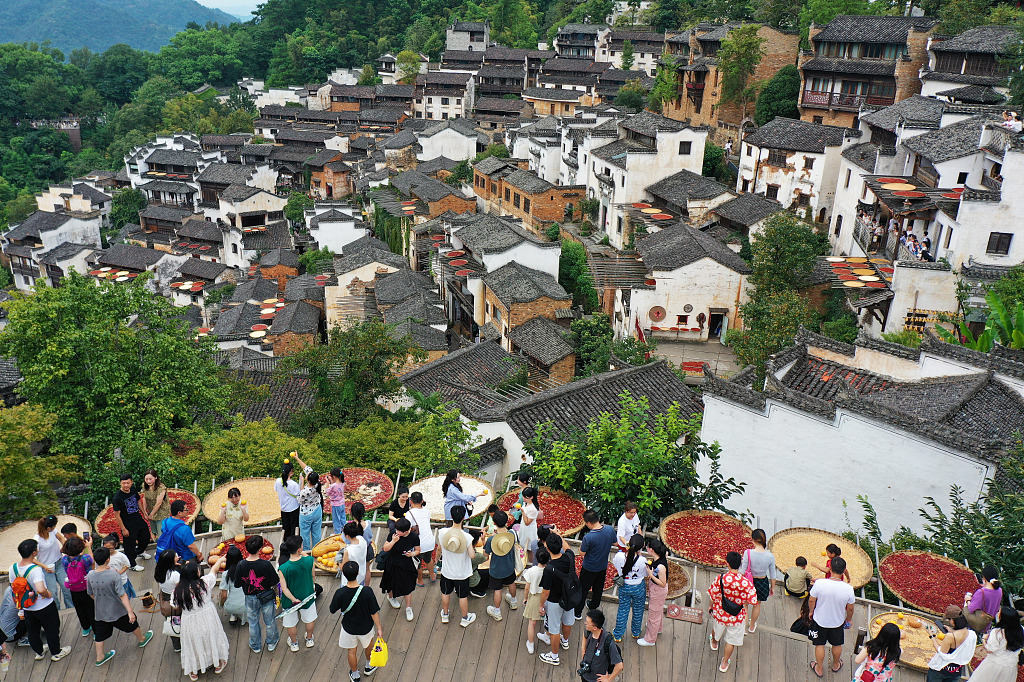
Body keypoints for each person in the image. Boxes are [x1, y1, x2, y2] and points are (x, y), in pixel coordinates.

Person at [86, 546, 153, 667]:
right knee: (131, 624)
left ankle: (99, 657)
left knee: (100, 634)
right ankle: (142, 639)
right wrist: (130, 611)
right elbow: (122, 595)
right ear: (108, 560)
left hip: (100, 611)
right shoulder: (113, 575)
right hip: (116, 609)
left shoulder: (90, 574)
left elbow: (90, 594)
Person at [9, 539, 70, 662]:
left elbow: (12, 586)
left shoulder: (13, 568)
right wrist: (48, 594)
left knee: (33, 631)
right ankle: (56, 653)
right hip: (43, 606)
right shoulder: (35, 570)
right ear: (34, 553)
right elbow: (41, 589)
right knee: (51, 628)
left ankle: (39, 652)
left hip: (27, 606)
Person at [173, 559, 230, 681]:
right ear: (196, 574)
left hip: (189, 621)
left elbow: (174, 605)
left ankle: (194, 670)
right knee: (212, 637)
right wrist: (220, 560)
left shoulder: (177, 591)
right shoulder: (204, 583)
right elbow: (213, 571)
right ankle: (218, 663)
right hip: (208, 616)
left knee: (193, 643)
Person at [330, 561, 384, 682]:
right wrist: (379, 627)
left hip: (349, 628)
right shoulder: (367, 591)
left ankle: (355, 674)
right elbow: (374, 612)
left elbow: (332, 610)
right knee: (369, 646)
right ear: (358, 573)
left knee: (351, 652)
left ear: (344, 574)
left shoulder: (340, 593)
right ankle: (369, 665)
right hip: (366, 627)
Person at [708, 550, 757, 673]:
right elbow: (753, 599)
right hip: (737, 616)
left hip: (721, 612)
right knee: (731, 640)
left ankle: (714, 643)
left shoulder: (721, 578)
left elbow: (713, 594)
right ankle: (724, 663)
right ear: (740, 564)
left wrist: (711, 606)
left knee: (717, 628)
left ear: (728, 564)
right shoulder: (745, 582)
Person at [808, 555, 855, 677]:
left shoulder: (820, 583)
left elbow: (811, 600)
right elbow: (850, 608)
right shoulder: (848, 589)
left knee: (819, 644)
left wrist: (811, 612)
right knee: (837, 644)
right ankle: (835, 665)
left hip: (819, 620)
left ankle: (819, 668)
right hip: (837, 622)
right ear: (844, 570)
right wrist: (848, 620)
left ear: (830, 568)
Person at [235, 535, 280, 654]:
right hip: (265, 596)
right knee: (269, 621)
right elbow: (275, 581)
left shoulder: (241, 565)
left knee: (253, 622)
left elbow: (237, 584)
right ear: (260, 549)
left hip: (250, 598)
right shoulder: (265, 564)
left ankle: (255, 645)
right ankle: (271, 642)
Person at [538, 532, 577, 667]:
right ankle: (565, 641)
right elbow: (567, 547)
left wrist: (541, 605)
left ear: (547, 549)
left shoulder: (549, 569)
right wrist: (558, 535)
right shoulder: (570, 557)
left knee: (554, 630)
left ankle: (554, 656)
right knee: (567, 622)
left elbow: (545, 592)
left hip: (555, 601)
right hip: (570, 597)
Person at [437, 505, 477, 627]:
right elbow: (472, 556)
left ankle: (445, 614)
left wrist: (436, 559)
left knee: (445, 592)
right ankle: (464, 618)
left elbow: (439, 549)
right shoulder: (467, 537)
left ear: (451, 516)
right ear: (464, 517)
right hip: (461, 573)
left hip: (447, 571)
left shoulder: (443, 532)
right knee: (462, 596)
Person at [279, 536, 318, 652]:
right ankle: (309, 639)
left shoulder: (283, 568)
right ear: (299, 549)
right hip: (307, 595)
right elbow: (313, 577)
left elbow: (284, 589)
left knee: (291, 623)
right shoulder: (309, 561)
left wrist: (293, 599)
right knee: (309, 619)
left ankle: (294, 643)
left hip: (290, 601)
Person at [576, 508, 617, 619]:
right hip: (603, 565)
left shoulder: (589, 537)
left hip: (589, 567)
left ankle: (577, 612)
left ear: (589, 523)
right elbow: (615, 542)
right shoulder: (609, 529)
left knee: (583, 589)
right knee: (598, 588)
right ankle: (593, 605)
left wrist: (581, 547)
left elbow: (582, 553)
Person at [739, 528, 779, 633]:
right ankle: (752, 626)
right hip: (762, 582)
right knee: (757, 604)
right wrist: (773, 587)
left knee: (745, 604)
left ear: (753, 539)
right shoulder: (770, 556)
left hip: (749, 581)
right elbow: (772, 574)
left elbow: (743, 570)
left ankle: (744, 627)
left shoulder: (748, 553)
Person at [968, 607, 1023, 682]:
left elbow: (990, 649)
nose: (997, 614)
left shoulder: (997, 632)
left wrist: (984, 639)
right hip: (1010, 665)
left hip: (994, 664)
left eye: (999, 613)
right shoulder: (1021, 630)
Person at [379, 518, 419, 621]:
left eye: (399, 531)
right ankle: (391, 597)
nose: (397, 532)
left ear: (406, 531)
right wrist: (393, 541)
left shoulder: (414, 537)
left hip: (406, 563)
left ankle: (408, 608)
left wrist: (412, 554)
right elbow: (385, 548)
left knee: (408, 586)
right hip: (392, 561)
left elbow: (418, 549)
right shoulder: (393, 534)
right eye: (396, 529)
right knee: (390, 582)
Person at [612, 533, 648, 643]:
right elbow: (646, 574)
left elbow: (615, 565)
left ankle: (618, 634)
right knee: (638, 610)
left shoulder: (619, 556)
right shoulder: (643, 560)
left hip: (624, 586)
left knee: (623, 609)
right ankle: (636, 632)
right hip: (638, 587)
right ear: (642, 546)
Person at [927, 605, 977, 681]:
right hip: (955, 671)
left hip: (941, 670)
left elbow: (941, 651)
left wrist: (932, 636)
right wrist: (952, 631)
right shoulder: (971, 634)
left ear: (953, 621)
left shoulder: (950, 637)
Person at [483, 510, 518, 621]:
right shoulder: (511, 534)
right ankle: (513, 601)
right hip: (509, 566)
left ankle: (497, 611)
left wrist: (484, 541)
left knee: (497, 590)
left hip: (496, 569)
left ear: (494, 522)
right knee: (511, 582)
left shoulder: (492, 539)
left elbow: (485, 556)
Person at [112, 473, 151, 570]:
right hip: (127, 522)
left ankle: (140, 551)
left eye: (128, 483)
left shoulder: (133, 489)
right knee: (130, 544)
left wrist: (144, 513)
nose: (126, 485)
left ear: (131, 482)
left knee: (146, 536)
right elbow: (117, 515)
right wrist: (123, 529)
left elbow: (138, 501)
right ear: (120, 483)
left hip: (137, 518)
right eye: (123, 483)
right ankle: (132, 564)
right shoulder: (117, 498)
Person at [61, 535, 95, 636]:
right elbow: (92, 564)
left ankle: (85, 628)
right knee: (91, 608)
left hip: (73, 588)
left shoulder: (65, 560)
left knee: (80, 609)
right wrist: (89, 547)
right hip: (87, 587)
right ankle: (96, 631)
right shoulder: (85, 558)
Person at [638, 538, 669, 647]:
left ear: (651, 549)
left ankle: (650, 640)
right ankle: (657, 628)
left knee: (653, 614)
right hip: (656, 589)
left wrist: (650, 575)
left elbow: (663, 583)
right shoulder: (659, 558)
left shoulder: (660, 567)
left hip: (658, 590)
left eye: (647, 547)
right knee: (658, 610)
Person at [578, 609, 623, 682]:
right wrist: (584, 658)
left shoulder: (608, 642)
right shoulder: (588, 631)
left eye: (587, 622)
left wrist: (609, 679)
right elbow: (583, 644)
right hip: (585, 675)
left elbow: (619, 665)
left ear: (595, 628)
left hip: (597, 679)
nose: (585, 623)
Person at [33, 516, 66, 611]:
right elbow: (32, 558)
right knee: (53, 592)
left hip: (59, 562)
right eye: (54, 526)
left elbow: (60, 538)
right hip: (47, 568)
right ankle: (57, 611)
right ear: (48, 528)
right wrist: (44, 566)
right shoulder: (37, 540)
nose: (55, 527)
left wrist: (66, 547)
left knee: (66, 586)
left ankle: (71, 608)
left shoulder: (53, 531)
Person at [522, 546, 551, 654]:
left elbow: (527, 588)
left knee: (532, 622)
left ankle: (531, 644)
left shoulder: (532, 571)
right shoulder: (549, 570)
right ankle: (547, 636)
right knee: (548, 619)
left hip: (535, 597)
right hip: (548, 596)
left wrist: (525, 598)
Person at [155, 550, 182, 653]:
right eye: (176, 556)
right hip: (175, 598)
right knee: (180, 619)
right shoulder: (174, 574)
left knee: (173, 621)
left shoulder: (159, 571)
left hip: (165, 597)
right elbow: (180, 586)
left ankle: (177, 645)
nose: (177, 557)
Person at [407, 492, 436, 585]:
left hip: (418, 543)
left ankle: (420, 580)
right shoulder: (427, 511)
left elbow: (408, 528)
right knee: (428, 559)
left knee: (418, 563)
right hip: (429, 540)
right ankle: (432, 575)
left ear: (410, 501)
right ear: (422, 501)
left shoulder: (409, 514)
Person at [295, 460, 324, 552]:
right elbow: (307, 469)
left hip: (306, 514)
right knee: (316, 532)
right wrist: (297, 458)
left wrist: (301, 483)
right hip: (317, 510)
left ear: (308, 480)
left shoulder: (305, 491)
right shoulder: (317, 484)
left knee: (305, 534)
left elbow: (299, 500)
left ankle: (307, 551)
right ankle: (317, 549)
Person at [966, 566, 1004, 634]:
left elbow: (971, 609)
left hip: (976, 625)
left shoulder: (981, 592)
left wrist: (968, 600)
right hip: (987, 624)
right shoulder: (999, 590)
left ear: (984, 577)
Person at [58, 522, 88, 607]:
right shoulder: (81, 541)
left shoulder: (65, 559)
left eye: (65, 535)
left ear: (71, 534)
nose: (65, 537)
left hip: (77, 579)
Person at [0, 586, 27, 672]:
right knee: (31, 615)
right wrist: (4, 654)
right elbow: (2, 642)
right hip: (10, 636)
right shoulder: (19, 601)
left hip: (3, 629)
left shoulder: (9, 589)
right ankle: (24, 639)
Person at [220, 546, 248, 625]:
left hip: (231, 606)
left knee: (226, 593)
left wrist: (221, 604)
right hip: (247, 604)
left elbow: (224, 595)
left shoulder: (226, 574)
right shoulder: (247, 569)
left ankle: (233, 615)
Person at [102, 534, 135, 599]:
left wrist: (119, 572)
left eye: (110, 548)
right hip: (109, 583)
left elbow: (127, 565)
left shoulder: (120, 556)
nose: (108, 550)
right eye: (106, 548)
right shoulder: (102, 556)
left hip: (121, 581)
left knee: (125, 598)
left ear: (116, 545)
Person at [275, 459, 302, 540]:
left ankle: (286, 544)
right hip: (293, 508)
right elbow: (299, 494)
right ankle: (293, 544)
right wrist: (302, 482)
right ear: (291, 472)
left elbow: (276, 489)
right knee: (294, 528)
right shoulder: (293, 484)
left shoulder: (278, 481)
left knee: (286, 528)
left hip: (283, 509)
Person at [140, 469, 169, 541]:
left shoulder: (161, 488)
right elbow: (144, 498)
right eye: (146, 479)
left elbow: (158, 503)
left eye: (150, 479)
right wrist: (145, 512)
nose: (148, 481)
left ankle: (162, 549)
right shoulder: (145, 486)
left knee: (161, 532)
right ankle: (157, 543)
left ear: (155, 478)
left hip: (161, 513)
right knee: (154, 531)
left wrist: (151, 514)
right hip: (151, 512)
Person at [350, 502, 375, 580]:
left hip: (355, 551)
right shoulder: (368, 524)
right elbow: (370, 536)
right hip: (367, 550)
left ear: (351, 513)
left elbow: (346, 540)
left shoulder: (350, 527)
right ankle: (366, 588)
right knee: (367, 569)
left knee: (355, 570)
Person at [339, 522, 369, 587]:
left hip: (349, 581)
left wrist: (338, 561)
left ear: (347, 536)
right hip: (361, 575)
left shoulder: (348, 551)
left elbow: (344, 568)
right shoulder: (362, 539)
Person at [518, 487, 540, 563]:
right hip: (524, 528)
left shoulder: (533, 509)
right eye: (523, 497)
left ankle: (530, 563)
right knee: (523, 545)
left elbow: (527, 522)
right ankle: (524, 561)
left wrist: (523, 512)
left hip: (529, 529)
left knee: (530, 548)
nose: (524, 499)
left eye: (526, 498)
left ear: (532, 497)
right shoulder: (526, 504)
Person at [468, 530, 489, 599]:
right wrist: (483, 541)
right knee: (489, 573)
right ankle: (476, 591)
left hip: (460, 578)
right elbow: (486, 557)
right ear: (477, 542)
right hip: (472, 581)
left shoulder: (460, 550)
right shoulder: (475, 556)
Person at [326, 468, 346, 535]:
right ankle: (344, 530)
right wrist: (331, 481)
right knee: (342, 518)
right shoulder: (342, 483)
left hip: (335, 505)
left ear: (334, 476)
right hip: (342, 503)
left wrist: (328, 483)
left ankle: (337, 533)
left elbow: (327, 492)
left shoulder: (333, 486)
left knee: (336, 520)